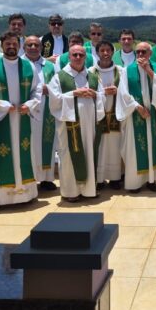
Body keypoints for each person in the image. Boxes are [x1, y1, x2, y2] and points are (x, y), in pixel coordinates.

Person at [0, 31, 42, 213]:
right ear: (2, 45)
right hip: (2, 120)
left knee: (24, 152)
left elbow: (37, 91)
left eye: (14, 43)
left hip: (22, 118)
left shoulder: (28, 66)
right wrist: (4, 106)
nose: (11, 46)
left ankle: (26, 194)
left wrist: (29, 105)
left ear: (19, 45)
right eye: (8, 44)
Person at [48, 44, 104, 202]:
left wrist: (96, 95)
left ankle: (89, 190)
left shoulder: (92, 76)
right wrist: (74, 93)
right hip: (69, 126)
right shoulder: (59, 76)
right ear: (69, 57)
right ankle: (71, 192)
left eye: (81, 55)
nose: (78, 58)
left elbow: (102, 97)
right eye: (75, 55)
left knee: (89, 154)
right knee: (68, 157)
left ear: (85, 57)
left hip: (90, 126)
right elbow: (54, 100)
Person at [117, 41, 156, 193]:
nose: (140, 55)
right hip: (135, 115)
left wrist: (149, 71)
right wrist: (137, 107)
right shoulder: (127, 70)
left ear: (150, 54)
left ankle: (151, 180)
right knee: (134, 148)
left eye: (143, 52)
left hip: (153, 115)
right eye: (138, 52)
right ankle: (135, 183)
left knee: (153, 146)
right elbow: (123, 93)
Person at [24, 36, 58, 192]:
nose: (33, 47)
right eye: (29, 44)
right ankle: (28, 178)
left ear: (41, 47)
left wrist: (49, 90)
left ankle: (46, 178)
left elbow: (57, 86)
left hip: (46, 111)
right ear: (24, 47)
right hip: (26, 112)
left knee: (46, 144)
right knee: (28, 145)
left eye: (36, 45)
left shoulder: (49, 66)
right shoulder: (19, 65)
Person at [90, 40, 124, 190]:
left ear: (113, 52)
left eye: (108, 50)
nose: (105, 53)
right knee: (100, 145)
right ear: (97, 52)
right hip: (98, 115)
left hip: (116, 114)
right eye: (102, 50)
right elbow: (88, 91)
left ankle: (116, 177)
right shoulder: (91, 72)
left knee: (115, 146)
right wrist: (103, 92)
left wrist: (119, 91)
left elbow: (127, 91)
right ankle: (99, 178)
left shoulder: (120, 71)